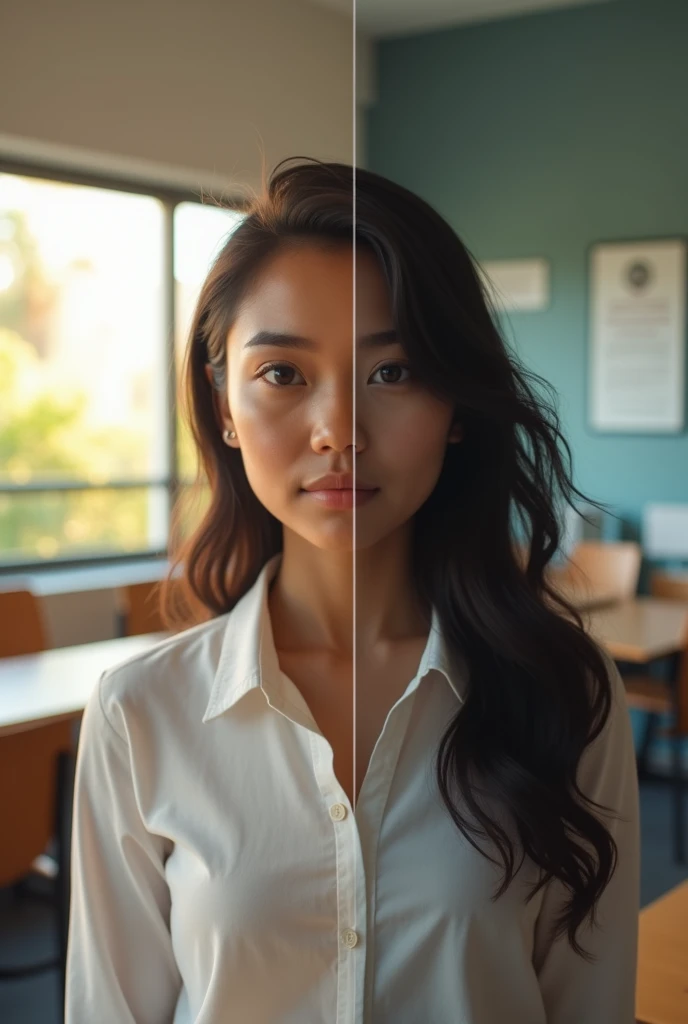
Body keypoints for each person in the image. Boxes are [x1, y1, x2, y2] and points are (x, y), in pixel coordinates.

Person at [65, 159, 640, 1023]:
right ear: (223, 406)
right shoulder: (141, 713)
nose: (340, 431)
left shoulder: (566, 692)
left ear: (456, 409)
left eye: (394, 371)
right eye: (284, 375)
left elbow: (588, 1005)